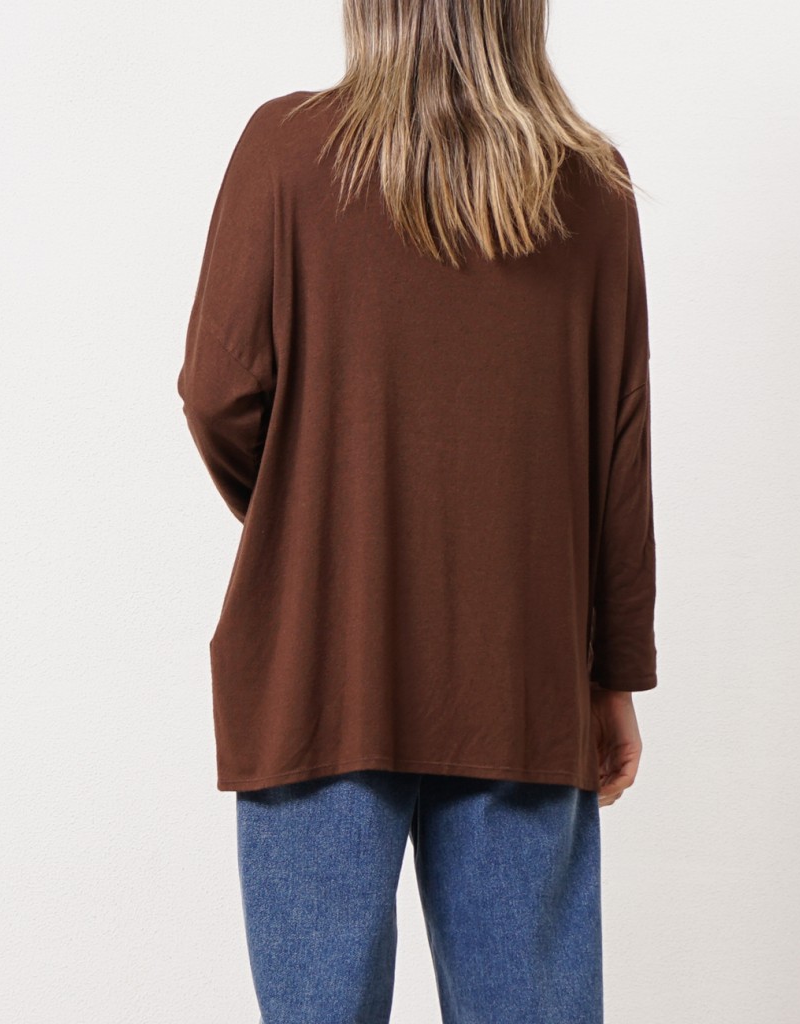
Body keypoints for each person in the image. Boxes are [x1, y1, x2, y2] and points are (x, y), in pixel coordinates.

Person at [176, 2, 658, 1020]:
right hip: (521, 683)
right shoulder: (594, 188)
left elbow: (218, 395)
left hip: (320, 675)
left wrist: (316, 522)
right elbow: (617, 453)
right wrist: (613, 673)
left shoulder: (287, 153)